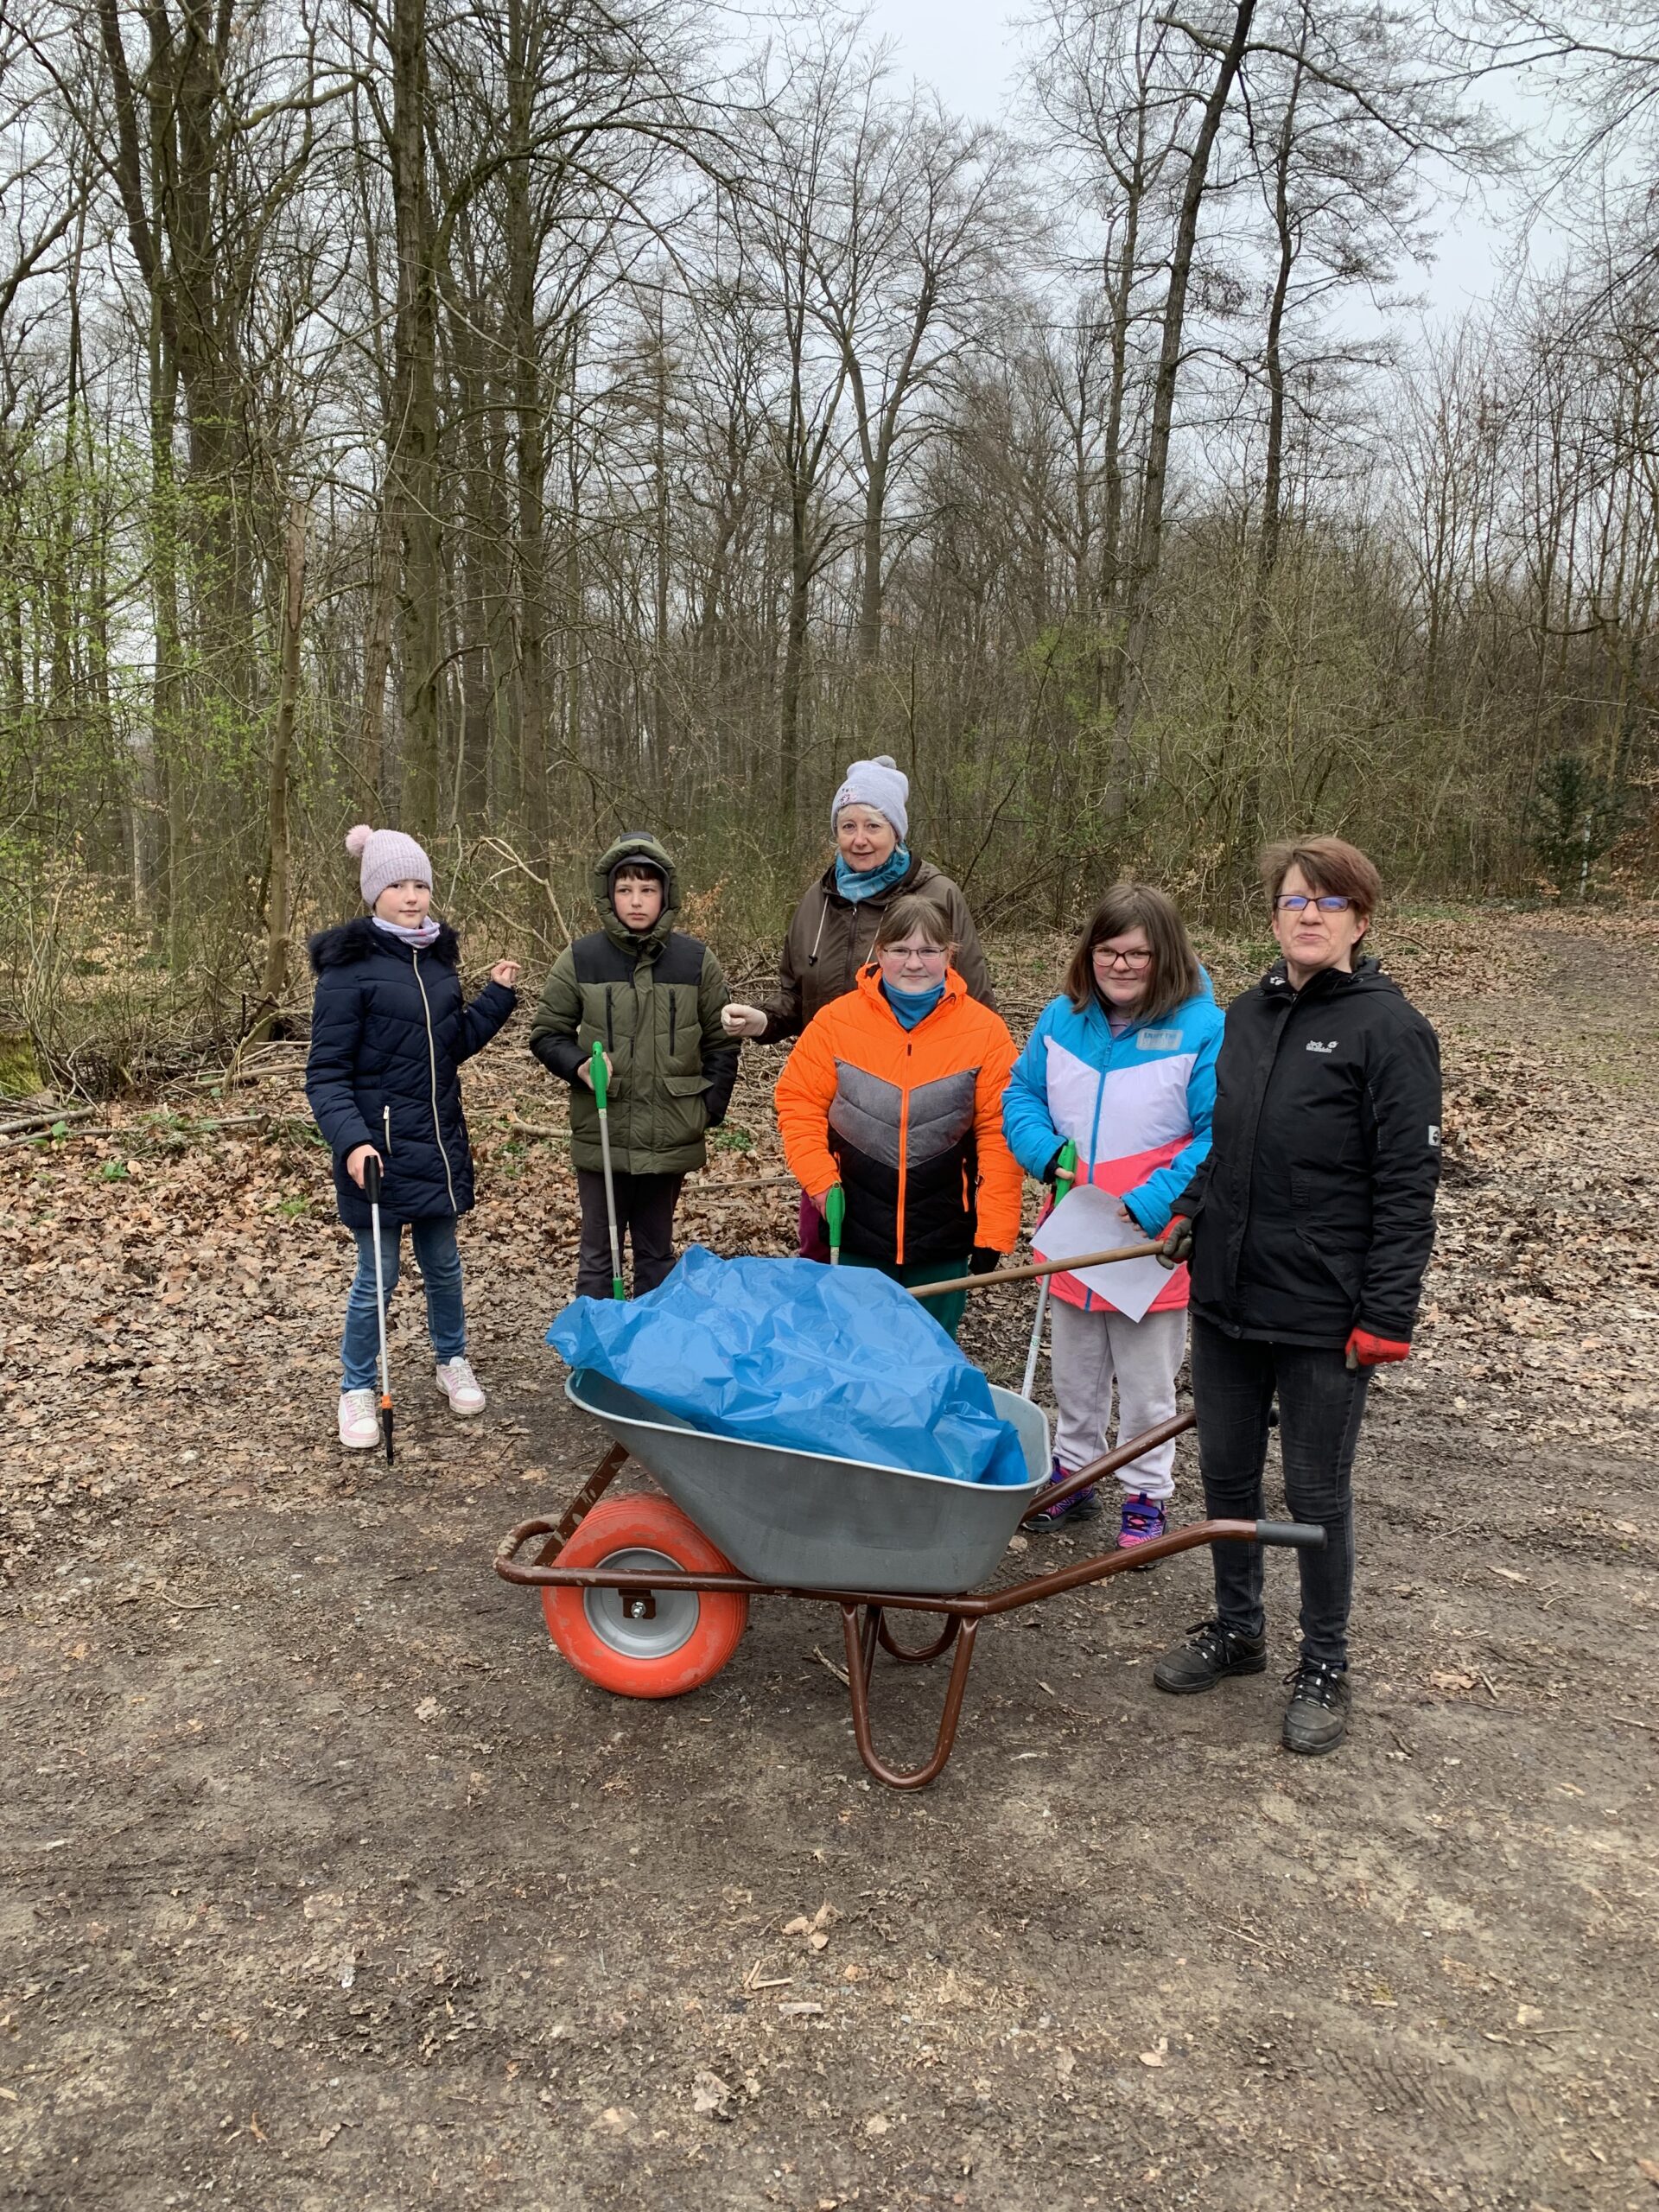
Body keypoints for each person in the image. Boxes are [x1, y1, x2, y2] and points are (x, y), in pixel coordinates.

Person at [1150, 836, 1441, 1756]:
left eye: (1329, 901)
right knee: (1227, 1476)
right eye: (1293, 900)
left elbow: (1408, 1187)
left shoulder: (1391, 1031)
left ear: (1361, 919)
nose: (1309, 914)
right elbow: (1228, 1141)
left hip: (1324, 1310)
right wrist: (1192, 1208)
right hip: (1228, 1295)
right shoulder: (1245, 1014)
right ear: (1273, 917)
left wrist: (1386, 1314)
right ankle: (1239, 1630)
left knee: (1315, 1495)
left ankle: (1325, 1661)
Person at [1002, 884, 1223, 1551]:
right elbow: (1021, 1094)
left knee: (1147, 1384)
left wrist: (1156, 1203)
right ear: (1089, 954)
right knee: (1075, 1373)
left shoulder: (1203, 1028)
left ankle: (1146, 1495)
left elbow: (1219, 1132)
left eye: (1138, 953)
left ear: (1165, 955)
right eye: (1108, 951)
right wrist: (1045, 1153)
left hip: (1151, 1243)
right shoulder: (1061, 1018)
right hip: (1075, 1229)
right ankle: (1074, 1475)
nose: (1121, 965)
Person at [720, 755, 995, 1257]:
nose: (860, 839)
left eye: (873, 825)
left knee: (914, 1247)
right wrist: (764, 1019)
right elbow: (797, 995)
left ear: (897, 831)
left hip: (922, 1111)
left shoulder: (937, 896)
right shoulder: (818, 900)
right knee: (825, 1238)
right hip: (834, 1105)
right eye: (848, 826)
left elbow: (976, 1006)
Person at [306, 823, 520, 1448]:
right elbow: (325, 1075)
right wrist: (352, 1142)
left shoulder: (438, 963)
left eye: (420, 884)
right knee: (377, 1277)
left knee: (444, 1267)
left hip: (437, 1146)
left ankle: (451, 1359)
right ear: (374, 892)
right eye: (397, 885)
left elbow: (448, 1048)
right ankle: (356, 1389)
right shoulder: (347, 971)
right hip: (376, 1153)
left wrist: (496, 999)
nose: (411, 896)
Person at [772, 895, 1021, 1340]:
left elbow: (1000, 1133)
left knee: (930, 1354)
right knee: (858, 1352)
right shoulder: (835, 1022)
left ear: (949, 954)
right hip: (854, 1229)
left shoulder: (985, 1031)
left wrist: (995, 1229)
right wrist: (821, 1182)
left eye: (929, 950)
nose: (914, 963)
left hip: (943, 1235)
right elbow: (798, 1103)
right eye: (901, 949)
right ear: (879, 952)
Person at [528, 833, 738, 1299]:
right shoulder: (580, 958)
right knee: (598, 1255)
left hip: (671, 1132)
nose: (637, 901)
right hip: (602, 1128)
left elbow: (722, 1042)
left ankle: (650, 1339)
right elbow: (547, 1033)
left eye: (647, 889)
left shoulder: (696, 961)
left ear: (666, 894)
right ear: (609, 895)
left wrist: (707, 1108)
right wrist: (580, 1065)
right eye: (625, 890)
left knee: (656, 1253)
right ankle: (597, 1343)